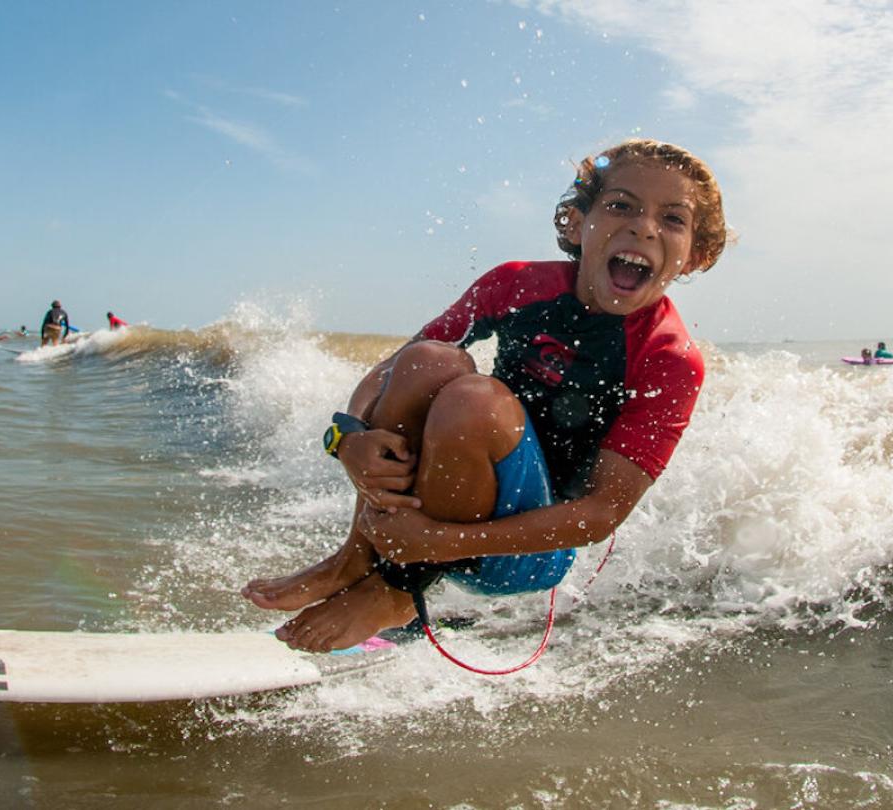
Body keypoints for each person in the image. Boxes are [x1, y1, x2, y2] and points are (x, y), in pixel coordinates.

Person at [243, 139, 731, 653]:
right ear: (575, 222)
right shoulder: (517, 284)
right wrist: (348, 438)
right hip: (438, 508)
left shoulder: (669, 357)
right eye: (621, 205)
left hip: (526, 551)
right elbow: (393, 370)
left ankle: (398, 593)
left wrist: (443, 543)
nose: (644, 227)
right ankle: (355, 559)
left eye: (672, 219)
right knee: (430, 360)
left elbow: (601, 514)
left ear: (695, 256)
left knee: (474, 399)